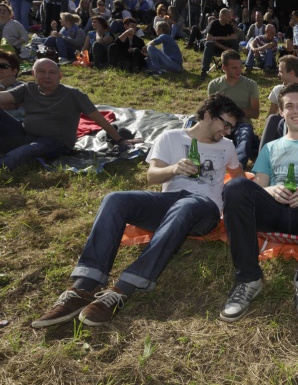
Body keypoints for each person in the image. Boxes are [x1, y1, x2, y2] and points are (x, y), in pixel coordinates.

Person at [31, 95, 244, 327]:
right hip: (169, 202)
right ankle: (84, 286)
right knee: (115, 199)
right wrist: (174, 169)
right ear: (208, 115)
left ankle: (123, 289)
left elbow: (240, 180)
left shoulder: (227, 146)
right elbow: (152, 177)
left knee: (187, 205)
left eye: (232, 127)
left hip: (204, 208)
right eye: (225, 124)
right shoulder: (171, 137)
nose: (228, 131)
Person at [220, 84, 298, 323]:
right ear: (281, 112)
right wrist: (271, 190)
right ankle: (249, 279)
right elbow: (258, 187)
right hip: (274, 211)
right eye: (289, 106)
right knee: (236, 186)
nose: (296, 110)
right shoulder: (270, 148)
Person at [0, 59, 136, 171]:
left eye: (52, 72)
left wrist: (120, 140)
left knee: (20, 154)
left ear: (60, 76)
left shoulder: (73, 94)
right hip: (25, 135)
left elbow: (99, 119)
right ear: (34, 74)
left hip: (55, 142)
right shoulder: (27, 88)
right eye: (41, 72)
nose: (47, 76)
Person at [207, 50, 260, 168]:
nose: (239, 71)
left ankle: (238, 166)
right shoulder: (214, 85)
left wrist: (232, 112)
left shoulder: (250, 85)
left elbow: (255, 113)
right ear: (224, 68)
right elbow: (211, 111)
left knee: (245, 134)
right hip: (220, 123)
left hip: (241, 123)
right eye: (234, 68)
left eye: (240, 67)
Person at [200, 9, 239, 80]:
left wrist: (218, 38)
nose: (230, 19)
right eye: (228, 17)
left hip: (223, 46)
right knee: (209, 43)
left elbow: (234, 36)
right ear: (222, 16)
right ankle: (204, 70)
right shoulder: (214, 23)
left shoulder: (228, 25)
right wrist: (225, 48)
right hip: (214, 48)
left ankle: (235, 68)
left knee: (235, 42)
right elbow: (209, 38)